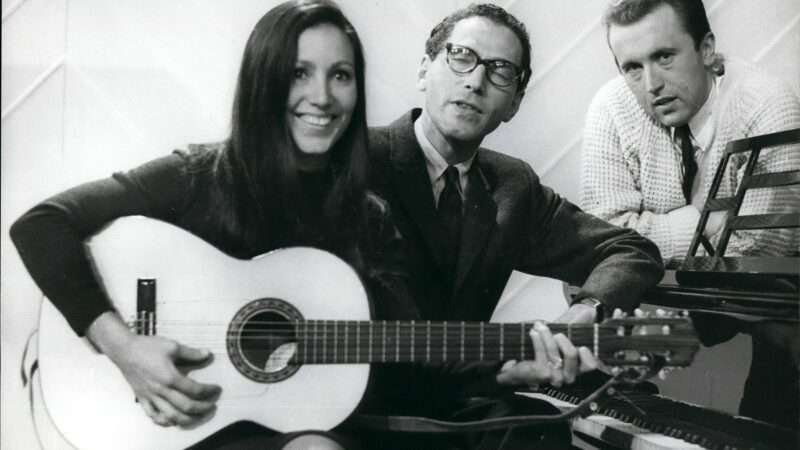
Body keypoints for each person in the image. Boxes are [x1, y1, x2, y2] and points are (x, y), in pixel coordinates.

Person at [10, 1, 398, 448]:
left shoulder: (368, 216)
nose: (323, 97)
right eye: (298, 73)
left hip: (292, 431)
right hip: (180, 427)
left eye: (341, 75)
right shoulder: (197, 175)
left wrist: (493, 359)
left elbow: (404, 343)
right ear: (262, 81)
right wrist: (125, 349)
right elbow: (40, 224)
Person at [365, 4, 665, 448]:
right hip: (354, 409)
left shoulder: (511, 187)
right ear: (424, 70)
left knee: (539, 431)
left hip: (452, 406)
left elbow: (629, 250)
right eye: (461, 56)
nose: (475, 81)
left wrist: (587, 310)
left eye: (500, 70)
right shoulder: (352, 160)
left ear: (515, 103)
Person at [580, 0, 800, 428]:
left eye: (664, 56)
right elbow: (603, 238)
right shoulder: (611, 107)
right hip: (667, 314)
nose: (652, 84)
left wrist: (647, 232)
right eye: (632, 67)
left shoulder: (768, 104)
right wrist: (705, 223)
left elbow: (758, 250)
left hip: (775, 310)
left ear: (706, 49)